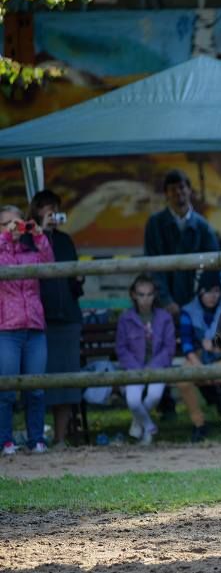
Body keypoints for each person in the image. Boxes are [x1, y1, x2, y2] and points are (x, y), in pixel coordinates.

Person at [29, 190, 83, 445]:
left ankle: (60, 439)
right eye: (46, 208)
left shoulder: (65, 240)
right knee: (40, 383)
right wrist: (39, 232)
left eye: (55, 208)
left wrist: (78, 281)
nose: (52, 213)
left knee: (67, 383)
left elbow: (74, 282)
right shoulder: (27, 240)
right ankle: (37, 438)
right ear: (36, 211)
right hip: (39, 320)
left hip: (68, 317)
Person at [0, 205, 54, 455]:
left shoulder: (31, 252)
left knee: (36, 389)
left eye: (17, 223)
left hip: (35, 328)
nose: (13, 227)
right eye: (6, 223)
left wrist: (39, 236)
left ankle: (37, 440)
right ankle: (5, 441)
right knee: (6, 390)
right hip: (6, 330)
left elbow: (51, 266)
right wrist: (4, 237)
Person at [144, 169, 220, 317]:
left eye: (182, 187)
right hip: (161, 305)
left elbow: (213, 265)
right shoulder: (154, 224)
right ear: (166, 194)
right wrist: (166, 300)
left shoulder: (203, 226)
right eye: (172, 189)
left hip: (196, 306)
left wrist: (199, 300)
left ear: (189, 190)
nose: (178, 192)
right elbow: (151, 265)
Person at [116, 274, 176, 445]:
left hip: (158, 366)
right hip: (133, 367)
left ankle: (138, 425)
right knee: (133, 401)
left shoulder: (164, 318)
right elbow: (121, 348)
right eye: (141, 294)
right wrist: (136, 368)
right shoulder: (125, 318)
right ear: (133, 295)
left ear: (155, 295)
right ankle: (149, 427)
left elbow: (169, 348)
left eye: (149, 294)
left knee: (154, 396)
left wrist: (154, 366)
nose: (145, 299)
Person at [176, 270, 221, 441]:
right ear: (200, 291)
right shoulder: (188, 311)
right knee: (183, 379)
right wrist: (200, 368)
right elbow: (186, 344)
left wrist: (215, 348)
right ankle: (199, 424)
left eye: (216, 291)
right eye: (207, 291)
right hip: (196, 357)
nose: (212, 296)